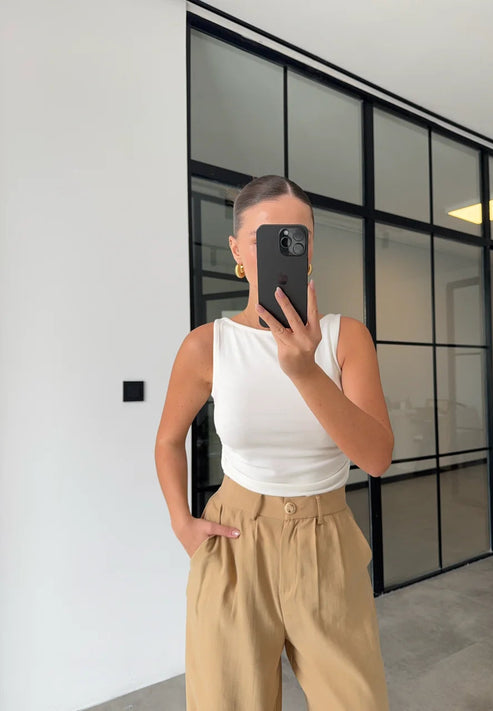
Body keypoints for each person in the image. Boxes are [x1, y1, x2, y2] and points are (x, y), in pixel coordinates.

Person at [154, 175, 393, 711]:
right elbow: (168, 440)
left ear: (309, 249)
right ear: (237, 251)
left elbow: (376, 458)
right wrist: (181, 522)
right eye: (265, 238)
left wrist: (304, 370)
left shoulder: (346, 337)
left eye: (296, 236)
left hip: (327, 542)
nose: (283, 249)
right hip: (235, 545)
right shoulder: (207, 345)